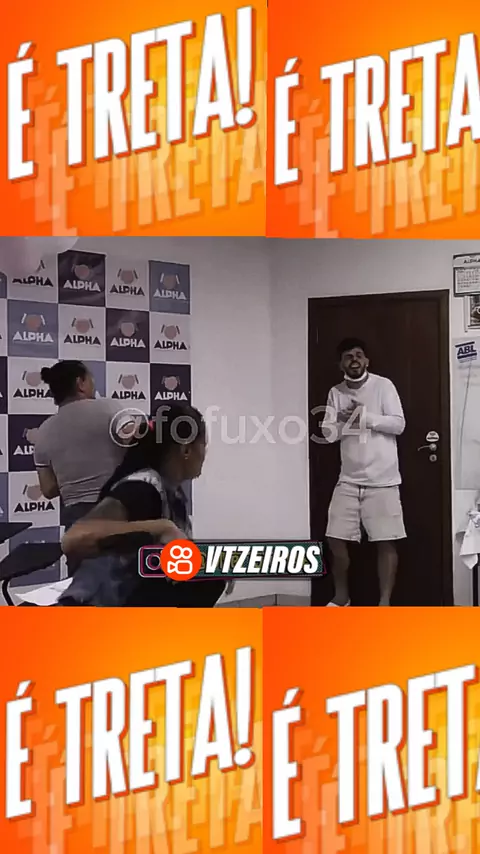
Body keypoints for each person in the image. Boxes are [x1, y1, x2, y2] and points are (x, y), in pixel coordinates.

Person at [60, 402, 226, 607]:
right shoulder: (142, 489)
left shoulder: (172, 493)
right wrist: (162, 528)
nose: (205, 454)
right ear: (186, 450)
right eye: (204, 445)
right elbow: (73, 539)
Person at [322, 338, 406, 607]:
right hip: (348, 480)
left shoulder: (383, 386)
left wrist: (364, 417)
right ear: (341, 364)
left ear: (367, 360)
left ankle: (384, 605)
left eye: (359, 355)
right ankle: (342, 598)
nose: (354, 360)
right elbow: (327, 434)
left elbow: (399, 425)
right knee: (335, 539)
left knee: (386, 541)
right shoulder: (335, 392)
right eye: (348, 356)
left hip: (383, 480)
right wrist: (344, 421)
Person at [34, 360, 132, 530]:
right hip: (115, 506)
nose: (94, 384)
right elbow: (134, 442)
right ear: (80, 383)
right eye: (91, 378)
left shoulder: (43, 431)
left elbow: (48, 489)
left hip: (75, 517)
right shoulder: (109, 407)